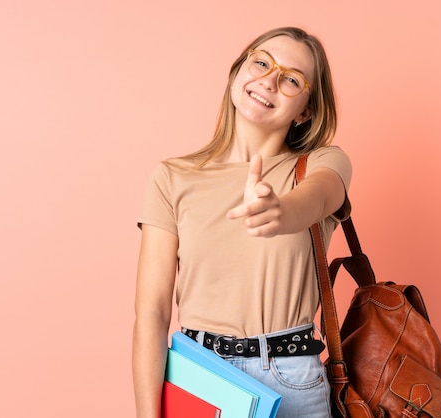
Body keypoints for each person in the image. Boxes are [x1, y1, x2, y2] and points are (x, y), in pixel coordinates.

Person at [133, 27, 352, 418]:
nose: (269, 80)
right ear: (238, 72)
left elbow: (320, 196)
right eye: (262, 62)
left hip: (291, 379)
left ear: (306, 109)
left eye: (291, 79)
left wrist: (281, 212)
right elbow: (152, 314)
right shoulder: (172, 177)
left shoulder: (323, 164)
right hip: (199, 377)